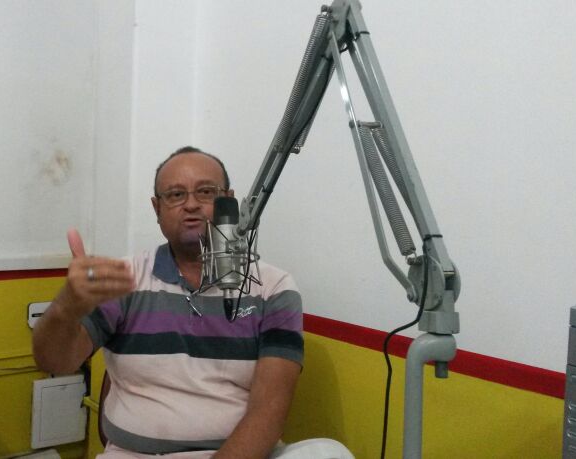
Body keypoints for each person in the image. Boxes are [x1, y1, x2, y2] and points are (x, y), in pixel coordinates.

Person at [33, 147, 352, 459]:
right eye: (175, 195)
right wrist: (65, 307)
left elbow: (268, 412)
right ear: (157, 209)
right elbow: (56, 362)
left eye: (206, 192)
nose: (191, 205)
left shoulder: (274, 288)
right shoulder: (124, 279)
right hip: (133, 454)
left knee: (330, 453)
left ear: (229, 202)